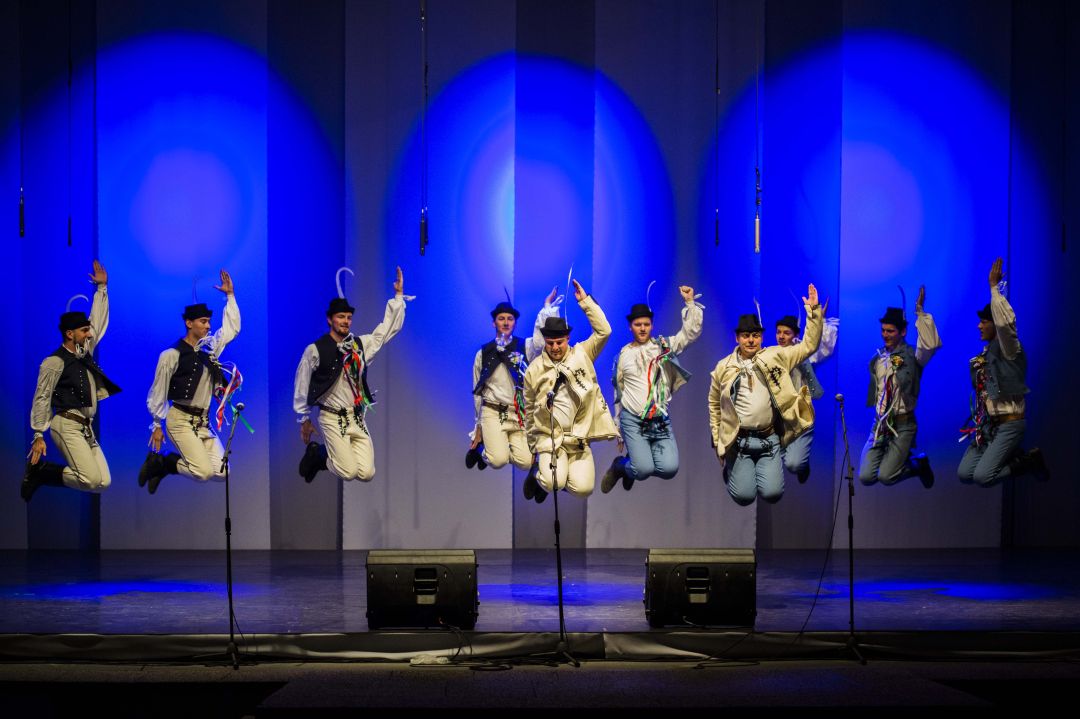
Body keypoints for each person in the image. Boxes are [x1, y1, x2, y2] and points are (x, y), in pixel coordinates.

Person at [707, 284, 821, 506]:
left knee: (772, 494)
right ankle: (733, 471)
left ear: (761, 337)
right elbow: (714, 404)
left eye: (755, 335)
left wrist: (814, 312)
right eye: (746, 336)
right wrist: (718, 441)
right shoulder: (723, 367)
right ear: (737, 338)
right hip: (739, 442)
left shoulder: (775, 356)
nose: (751, 340)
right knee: (744, 496)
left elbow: (809, 346)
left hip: (768, 440)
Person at [295, 267, 407, 484]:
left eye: (348, 317)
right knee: (347, 471)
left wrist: (398, 296)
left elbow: (384, 332)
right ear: (330, 320)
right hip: (331, 417)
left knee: (366, 473)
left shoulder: (359, 345)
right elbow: (302, 383)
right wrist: (304, 418)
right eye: (341, 317)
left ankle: (323, 454)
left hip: (355, 416)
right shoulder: (316, 350)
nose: (346, 321)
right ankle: (318, 455)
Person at [23, 260, 121, 502]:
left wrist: (102, 289)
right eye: (84, 331)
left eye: (88, 330)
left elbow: (98, 322)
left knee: (103, 482)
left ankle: (45, 473)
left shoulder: (84, 351)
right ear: (70, 333)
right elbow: (42, 396)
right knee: (89, 479)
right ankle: (42, 473)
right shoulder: (54, 362)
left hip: (85, 427)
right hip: (66, 424)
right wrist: (38, 435)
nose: (89, 334)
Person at [138, 270, 240, 494]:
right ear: (189, 323)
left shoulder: (209, 350)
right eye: (203, 322)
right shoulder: (171, 355)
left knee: (222, 472)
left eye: (209, 322)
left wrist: (230, 296)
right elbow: (158, 390)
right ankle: (164, 462)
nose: (208, 326)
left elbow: (231, 330)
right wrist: (156, 424)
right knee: (202, 472)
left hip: (202, 421)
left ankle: (165, 465)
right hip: (180, 420)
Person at [522, 279, 618, 502]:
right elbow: (529, 410)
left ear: (568, 339)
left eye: (560, 342)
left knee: (584, 489)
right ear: (545, 342)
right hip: (550, 440)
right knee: (551, 481)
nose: (555, 347)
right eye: (550, 343)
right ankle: (542, 477)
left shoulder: (582, 354)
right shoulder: (535, 369)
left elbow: (604, 331)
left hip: (578, 440)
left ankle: (552, 481)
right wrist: (533, 447)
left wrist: (585, 302)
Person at [601, 285, 703, 493]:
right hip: (633, 419)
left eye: (646, 324)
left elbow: (689, 335)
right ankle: (621, 467)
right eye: (638, 324)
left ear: (652, 325)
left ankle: (630, 468)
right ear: (630, 327)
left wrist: (690, 303)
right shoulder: (623, 355)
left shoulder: (662, 347)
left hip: (659, 419)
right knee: (644, 469)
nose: (642, 328)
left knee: (669, 469)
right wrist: (617, 427)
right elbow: (618, 392)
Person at [957, 257, 1048, 486]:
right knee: (965, 474)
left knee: (983, 477)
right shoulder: (985, 355)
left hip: (1009, 424)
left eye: (984, 322)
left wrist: (994, 289)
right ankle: (1013, 456)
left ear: (994, 324)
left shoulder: (1009, 348)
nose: (979, 326)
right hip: (990, 426)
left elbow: (1005, 325)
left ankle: (1026, 463)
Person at [466, 289, 560, 473]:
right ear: (494, 322)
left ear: (515, 323)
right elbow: (478, 390)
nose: (506, 322)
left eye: (510, 319)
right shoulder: (483, 353)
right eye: (501, 318)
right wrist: (478, 426)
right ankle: (485, 452)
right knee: (498, 459)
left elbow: (541, 343)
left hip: (518, 412)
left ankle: (492, 449)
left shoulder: (525, 346)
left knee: (526, 462)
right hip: (494, 411)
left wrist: (547, 308)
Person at [858, 285, 940, 488]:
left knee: (886, 477)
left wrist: (920, 312)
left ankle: (917, 465)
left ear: (902, 332)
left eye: (890, 331)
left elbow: (929, 345)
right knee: (866, 477)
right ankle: (895, 458)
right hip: (880, 425)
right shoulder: (878, 359)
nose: (885, 335)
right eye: (883, 330)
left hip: (903, 425)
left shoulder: (913, 356)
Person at [773, 307, 839, 483]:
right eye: (778, 332)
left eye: (786, 333)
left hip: (800, 416)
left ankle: (802, 464)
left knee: (793, 465)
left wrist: (819, 320)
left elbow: (825, 346)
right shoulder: (771, 355)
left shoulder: (804, 353)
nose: (781, 336)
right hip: (778, 418)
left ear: (795, 335)